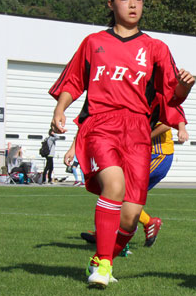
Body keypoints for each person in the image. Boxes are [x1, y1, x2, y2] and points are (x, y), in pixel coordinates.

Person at [49, 0, 194, 288]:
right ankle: (103, 267)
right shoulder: (93, 43)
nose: (133, 4)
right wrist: (60, 108)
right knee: (113, 185)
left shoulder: (156, 48)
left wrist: (184, 88)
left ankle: (101, 259)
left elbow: (170, 96)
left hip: (138, 132)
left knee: (129, 218)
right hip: (101, 124)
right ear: (111, 4)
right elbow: (73, 81)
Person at [76, 91, 189, 248]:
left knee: (121, 194)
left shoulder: (154, 94)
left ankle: (122, 234)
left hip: (158, 155)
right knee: (114, 191)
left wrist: (148, 136)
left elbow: (167, 122)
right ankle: (108, 232)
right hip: (139, 154)